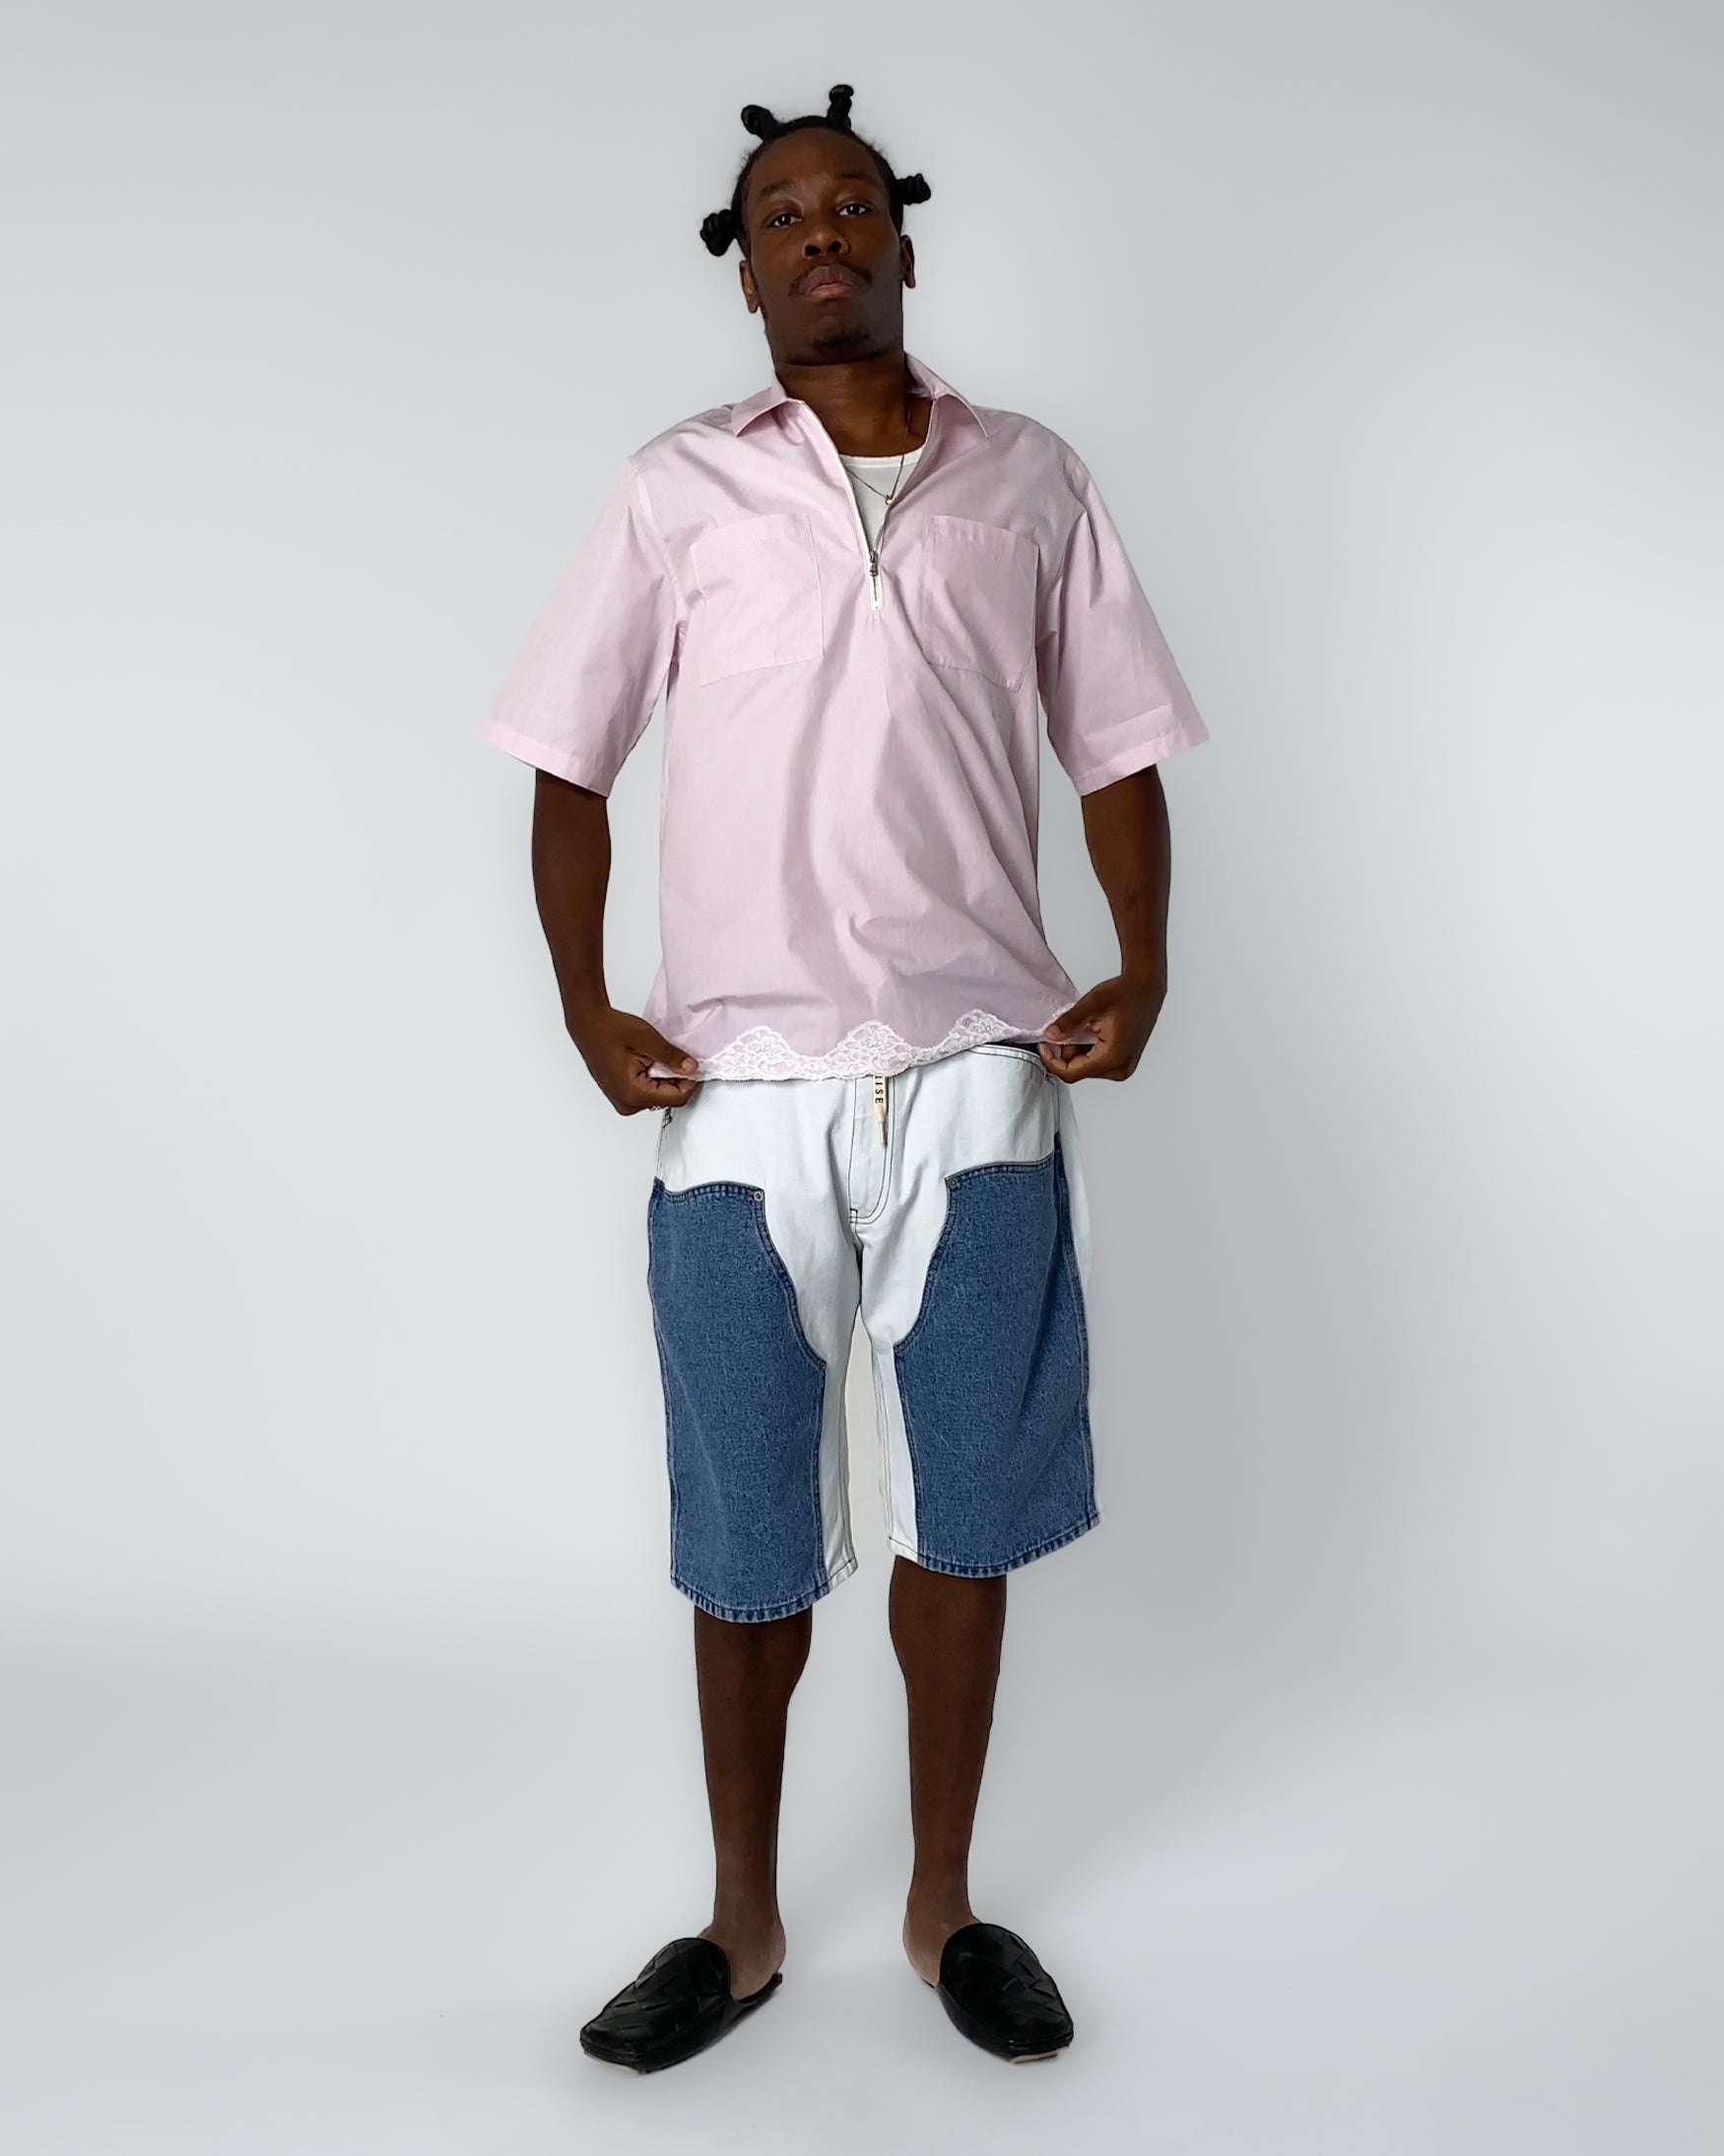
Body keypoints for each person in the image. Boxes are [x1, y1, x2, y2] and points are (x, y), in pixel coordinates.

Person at [480, 82, 1208, 2072]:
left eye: (852, 200)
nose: (821, 228)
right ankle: (738, 1922)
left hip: (980, 1069)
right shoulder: (675, 492)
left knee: (964, 1517)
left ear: (903, 237)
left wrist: (1143, 961)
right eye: (781, 211)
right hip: (732, 1090)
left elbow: (1116, 746)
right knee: (742, 1535)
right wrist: (583, 1003)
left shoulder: (1030, 480)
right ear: (744, 271)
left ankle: (942, 1903)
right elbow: (564, 759)